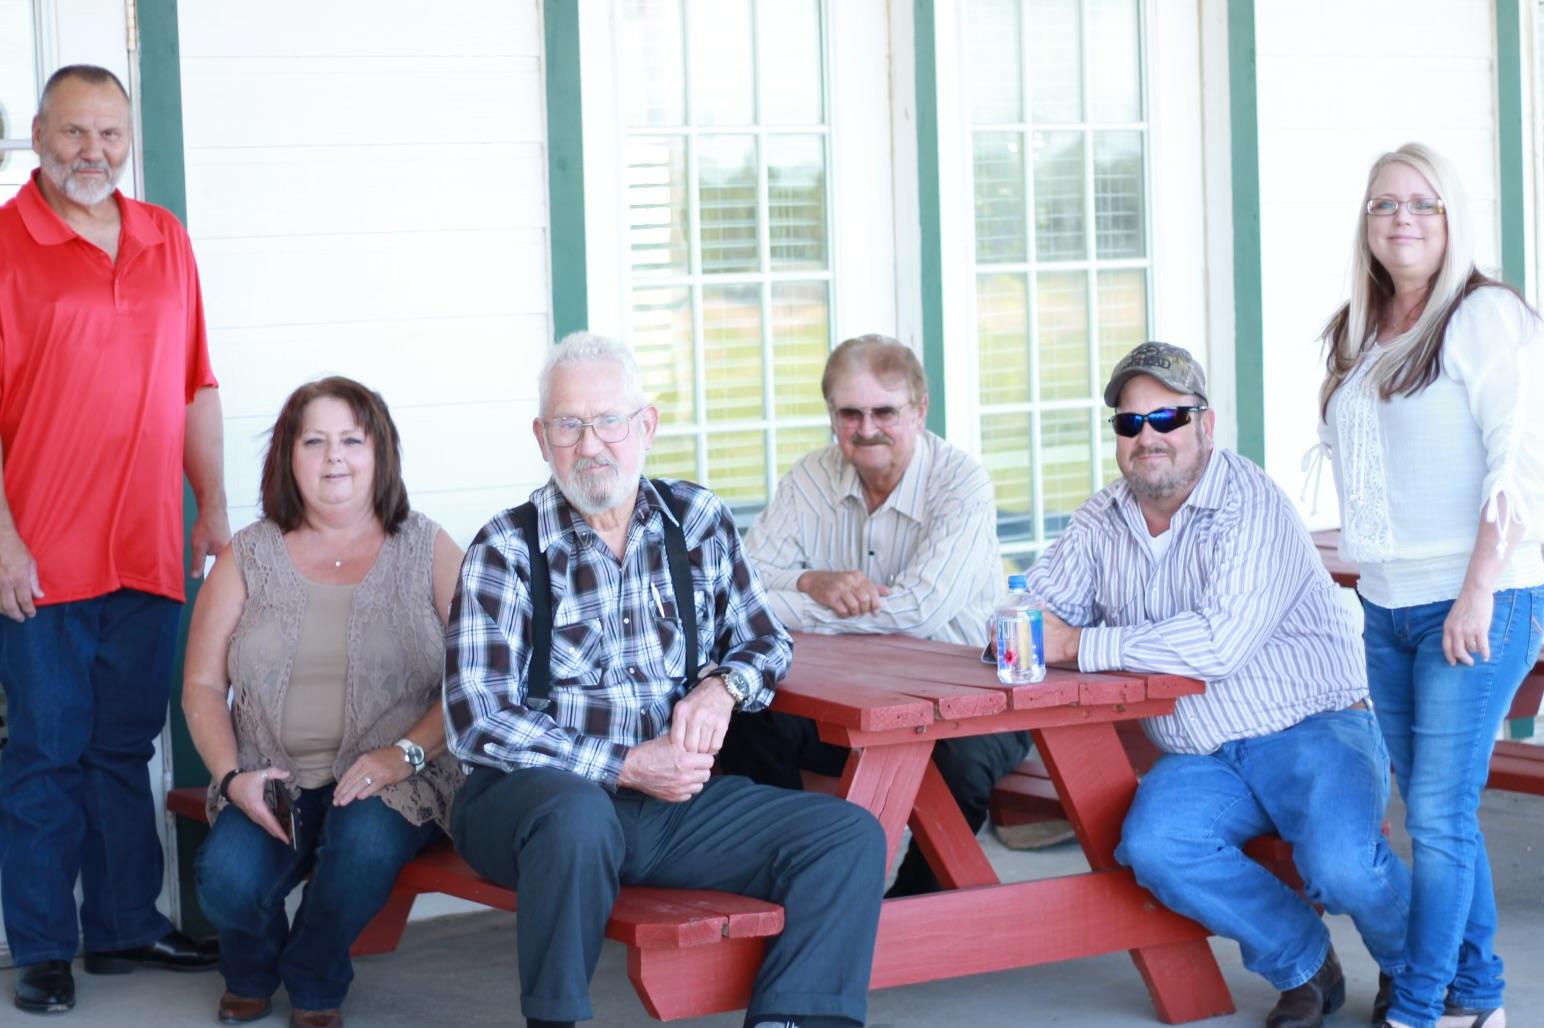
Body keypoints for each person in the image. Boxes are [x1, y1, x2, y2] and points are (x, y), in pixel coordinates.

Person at [444, 332, 886, 1028]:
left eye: (609, 421)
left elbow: (765, 640)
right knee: (578, 814)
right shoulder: (506, 548)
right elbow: (478, 719)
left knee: (847, 836)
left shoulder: (697, 521)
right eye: (569, 424)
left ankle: (793, 1020)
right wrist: (624, 765)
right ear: (542, 437)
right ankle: (555, 1020)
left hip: (670, 806)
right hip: (527, 806)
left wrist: (724, 689)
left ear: (645, 426)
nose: (591, 444)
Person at [1024, 341, 1411, 1028]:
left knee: (1342, 863)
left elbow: (1217, 642)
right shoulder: (1101, 518)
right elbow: (1031, 614)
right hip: (1203, 753)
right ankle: (1303, 961)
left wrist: (1077, 645)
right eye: (1129, 423)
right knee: (1156, 846)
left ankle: (1419, 972)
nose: (1148, 437)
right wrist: (1030, 627)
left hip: (1312, 727)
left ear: (1205, 424)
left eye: (1167, 417)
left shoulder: (1250, 502)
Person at [0, 64, 227, 1014]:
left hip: (147, 544)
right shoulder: (6, 244)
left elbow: (195, 385)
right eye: (72, 134)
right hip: (41, 553)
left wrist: (212, 504)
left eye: (108, 134)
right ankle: (44, 946)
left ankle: (125, 924)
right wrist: (2, 542)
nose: (91, 152)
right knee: (46, 751)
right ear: (38, 134)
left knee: (123, 746)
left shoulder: (164, 237)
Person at [1315, 143, 1544, 1028]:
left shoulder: (1484, 316)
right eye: (1385, 205)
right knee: (1438, 814)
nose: (1402, 219)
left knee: (1440, 816)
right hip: (1386, 601)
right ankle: (1478, 994)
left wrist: (1479, 590)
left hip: (1475, 600)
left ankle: (1416, 1009)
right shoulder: (1359, 328)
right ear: (1366, 224)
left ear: (1452, 220)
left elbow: (1514, 470)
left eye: (1423, 203)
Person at [183, 378, 464, 1028]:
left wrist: (405, 753)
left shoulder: (425, 547)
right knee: (225, 878)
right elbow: (200, 686)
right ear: (289, 455)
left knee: (362, 848)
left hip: (391, 778)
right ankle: (250, 969)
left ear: (379, 453)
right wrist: (233, 778)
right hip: (271, 775)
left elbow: (478, 675)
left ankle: (313, 977)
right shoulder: (247, 556)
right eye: (314, 441)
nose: (333, 457)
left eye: (350, 440)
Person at [718, 334, 1036, 896]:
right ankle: (789, 878)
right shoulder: (811, 477)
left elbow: (915, 612)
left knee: (957, 769)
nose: (866, 428)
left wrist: (795, 605)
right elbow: (741, 582)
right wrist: (815, 581)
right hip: (856, 700)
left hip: (974, 696)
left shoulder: (961, 485)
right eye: (850, 413)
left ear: (919, 410)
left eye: (884, 411)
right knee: (748, 710)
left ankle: (913, 914)